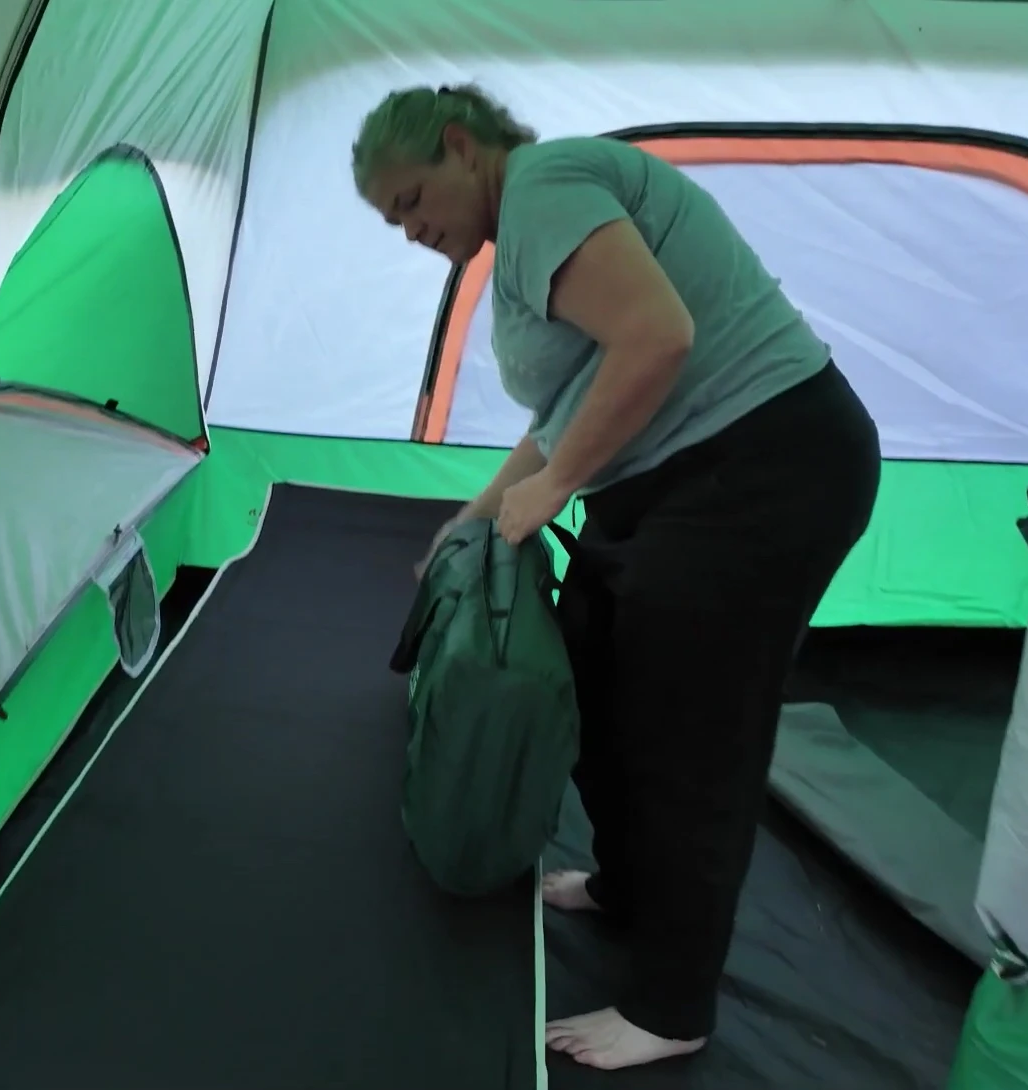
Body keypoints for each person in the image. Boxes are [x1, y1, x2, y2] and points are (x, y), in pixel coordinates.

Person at [353, 85, 882, 1070]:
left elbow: (658, 336)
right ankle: (626, 886)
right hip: (666, 478)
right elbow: (570, 401)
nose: (412, 230)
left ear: (464, 149)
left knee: (691, 739)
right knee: (593, 676)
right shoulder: (521, 251)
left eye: (413, 201)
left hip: (764, 467)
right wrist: (472, 521)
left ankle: (672, 1005)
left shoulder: (547, 181)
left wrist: (554, 488)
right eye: (396, 221)